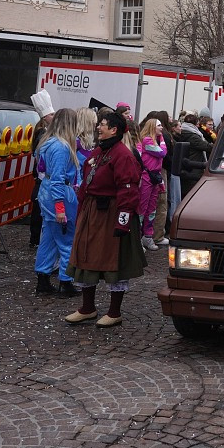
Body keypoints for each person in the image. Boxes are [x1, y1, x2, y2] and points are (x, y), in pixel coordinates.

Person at [64, 111, 144, 327]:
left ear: (114, 130)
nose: (98, 127)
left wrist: (123, 222)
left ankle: (114, 312)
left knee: (113, 261)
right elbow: (86, 184)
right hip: (92, 211)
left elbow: (128, 190)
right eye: (99, 123)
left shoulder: (123, 155)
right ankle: (87, 308)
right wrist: (81, 211)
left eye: (103, 124)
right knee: (85, 256)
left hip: (111, 213)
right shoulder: (99, 152)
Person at [34, 108, 81, 297]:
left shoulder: (47, 143)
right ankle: (65, 281)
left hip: (46, 194)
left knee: (49, 239)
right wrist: (60, 209)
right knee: (66, 240)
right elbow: (58, 180)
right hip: (58, 196)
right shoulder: (62, 147)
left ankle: (43, 279)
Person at [28, 90, 55, 250]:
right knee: (38, 208)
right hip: (42, 176)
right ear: (45, 117)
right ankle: (35, 237)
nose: (54, 116)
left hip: (43, 176)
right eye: (51, 114)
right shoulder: (42, 134)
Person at [136, 117, 167, 251]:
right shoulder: (147, 140)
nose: (162, 128)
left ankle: (148, 236)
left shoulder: (155, 140)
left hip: (155, 177)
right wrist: (163, 141)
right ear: (152, 127)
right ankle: (137, 239)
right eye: (159, 125)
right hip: (147, 177)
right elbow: (162, 153)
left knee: (152, 208)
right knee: (142, 208)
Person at [179, 113, 212, 198]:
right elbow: (206, 146)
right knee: (192, 192)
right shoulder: (192, 136)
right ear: (195, 124)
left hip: (189, 164)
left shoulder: (185, 132)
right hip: (194, 165)